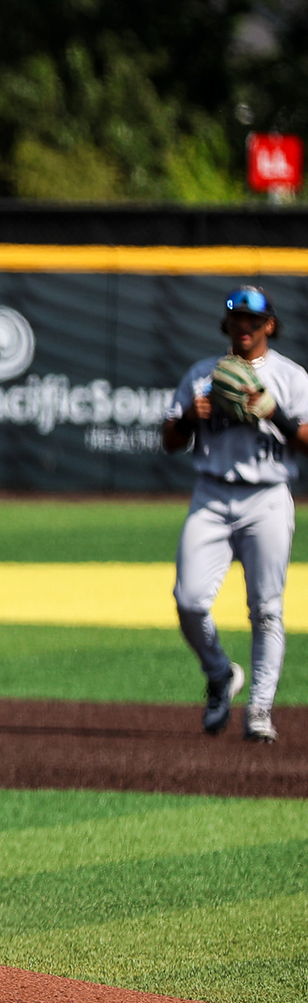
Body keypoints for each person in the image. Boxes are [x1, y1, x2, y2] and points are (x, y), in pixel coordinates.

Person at [161, 286, 303, 743]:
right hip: (212, 494)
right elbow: (169, 441)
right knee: (189, 600)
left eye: (252, 320)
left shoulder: (291, 377)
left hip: (267, 497)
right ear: (227, 324)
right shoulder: (203, 376)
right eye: (236, 318)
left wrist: (275, 415)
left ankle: (259, 709)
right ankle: (220, 673)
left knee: (265, 610)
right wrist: (186, 418)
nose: (244, 326)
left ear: (270, 325)